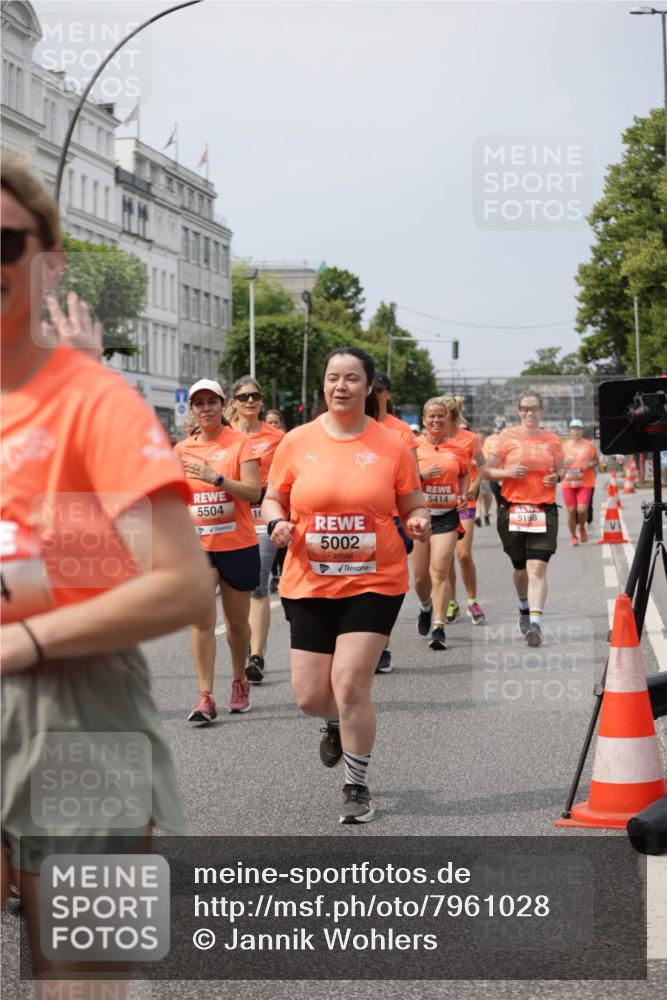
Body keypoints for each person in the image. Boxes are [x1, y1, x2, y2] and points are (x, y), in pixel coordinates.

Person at [1, 155, 213, 994]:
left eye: (4, 243)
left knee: (81, 975)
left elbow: (180, 584)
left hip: (76, 708)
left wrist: (23, 639)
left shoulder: (94, 400)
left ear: (46, 262)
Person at [262, 347, 429, 824]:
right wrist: (276, 523)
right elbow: (274, 497)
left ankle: (356, 784)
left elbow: (413, 503)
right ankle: (335, 721)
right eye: (334, 378)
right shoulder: (296, 441)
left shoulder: (393, 444)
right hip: (308, 580)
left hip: (374, 579)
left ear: (368, 386)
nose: (342, 386)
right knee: (311, 695)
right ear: (323, 386)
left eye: (352, 378)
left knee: (351, 681)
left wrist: (416, 521)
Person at [175, 380, 261, 720]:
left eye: (212, 402)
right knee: (201, 620)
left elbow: (254, 493)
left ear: (223, 406)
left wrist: (217, 478)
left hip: (237, 545)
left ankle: (239, 680)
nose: (206, 408)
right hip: (198, 548)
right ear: (192, 409)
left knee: (237, 624)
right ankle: (205, 696)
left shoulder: (241, 444)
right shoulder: (181, 449)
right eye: (199, 403)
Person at [484, 391, 565, 647]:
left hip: (543, 509)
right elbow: (486, 470)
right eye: (525, 409)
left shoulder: (552, 440)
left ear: (541, 410)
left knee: (537, 568)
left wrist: (557, 477)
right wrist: (508, 471)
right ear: (518, 411)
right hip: (513, 509)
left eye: (534, 408)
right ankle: (523, 605)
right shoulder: (506, 438)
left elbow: (561, 467)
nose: (529, 413)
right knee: (520, 570)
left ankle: (535, 624)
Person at [225, 376, 284, 683]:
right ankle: (243, 640)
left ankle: (256, 656)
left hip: (262, 517)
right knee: (237, 590)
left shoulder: (276, 438)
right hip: (229, 520)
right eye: (244, 396)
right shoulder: (223, 437)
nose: (250, 401)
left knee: (259, 583)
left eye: (255, 396)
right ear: (233, 402)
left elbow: (287, 477)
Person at [412, 398, 470, 650]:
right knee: (419, 579)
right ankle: (426, 606)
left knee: (439, 570)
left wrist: (464, 495)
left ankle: (438, 625)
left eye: (441, 416)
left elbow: (465, 472)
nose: (436, 420)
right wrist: (420, 476)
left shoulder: (458, 448)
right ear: (424, 420)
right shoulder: (412, 447)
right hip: (420, 515)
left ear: (448, 419)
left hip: (447, 516)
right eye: (431, 416)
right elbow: (401, 480)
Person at [373, 371, 418, 673]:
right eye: (369, 388)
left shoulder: (401, 431)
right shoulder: (351, 428)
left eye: (377, 389)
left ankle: (382, 644)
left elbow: (412, 478)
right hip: (359, 522)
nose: (372, 394)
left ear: (387, 393)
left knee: (384, 586)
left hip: (392, 521)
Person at [444, 398, 487, 625]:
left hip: (465, 503)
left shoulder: (469, 439)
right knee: (446, 557)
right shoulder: (432, 438)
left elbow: (482, 465)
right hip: (441, 504)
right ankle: (451, 601)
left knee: (463, 554)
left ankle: (472, 601)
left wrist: (475, 484)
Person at [562, 418, 599, 545]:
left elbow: (596, 460)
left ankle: (582, 528)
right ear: (570, 431)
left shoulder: (589, 445)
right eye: (573, 429)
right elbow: (558, 464)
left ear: (582, 431)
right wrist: (563, 464)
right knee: (571, 510)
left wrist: (589, 464)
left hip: (585, 482)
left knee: (582, 510)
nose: (576, 432)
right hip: (568, 483)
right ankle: (573, 536)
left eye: (578, 429)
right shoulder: (564, 447)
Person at [483, 419, 506, 511]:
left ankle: (505, 516)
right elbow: (485, 456)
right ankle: (501, 515)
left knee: (506, 498)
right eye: (497, 427)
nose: (499, 430)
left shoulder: (510, 439)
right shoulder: (489, 440)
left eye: (501, 427)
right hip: (494, 473)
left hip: (507, 474)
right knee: (497, 496)